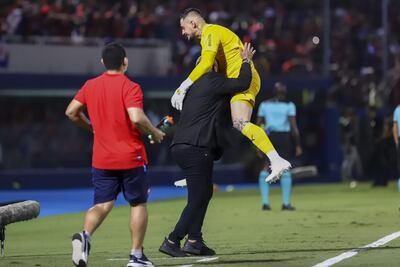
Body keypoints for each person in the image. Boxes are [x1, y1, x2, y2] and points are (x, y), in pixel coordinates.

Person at [65, 43, 164, 267]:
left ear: (102, 63)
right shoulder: (130, 86)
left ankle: (85, 237)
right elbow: (137, 117)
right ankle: (136, 257)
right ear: (125, 62)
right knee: (138, 204)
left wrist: (91, 127)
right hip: (131, 156)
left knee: (102, 204)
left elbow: (71, 112)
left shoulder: (90, 86)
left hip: (102, 158)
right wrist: (155, 132)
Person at [171, 8, 291, 183]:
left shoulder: (210, 32)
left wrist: (183, 87)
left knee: (240, 122)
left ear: (193, 23)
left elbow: (206, 63)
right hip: (232, 83)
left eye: (183, 27)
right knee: (214, 126)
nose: (182, 32)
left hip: (242, 79)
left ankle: (276, 160)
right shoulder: (209, 37)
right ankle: (197, 173)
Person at [159, 43, 255, 257]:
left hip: (183, 146)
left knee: (202, 194)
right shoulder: (211, 80)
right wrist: (246, 61)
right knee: (199, 197)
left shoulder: (191, 88)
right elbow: (242, 83)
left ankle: (194, 240)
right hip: (197, 147)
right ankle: (173, 240)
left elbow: (178, 115)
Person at [256, 83, 302, 211]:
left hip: (269, 137)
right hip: (283, 137)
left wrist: (257, 144)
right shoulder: (289, 105)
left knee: (265, 166)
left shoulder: (264, 105)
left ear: (273, 92)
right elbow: (294, 127)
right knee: (285, 168)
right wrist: (298, 145)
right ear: (285, 92)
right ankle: (285, 203)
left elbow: (258, 125)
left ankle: (265, 203)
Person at [392, 105, 400, 191]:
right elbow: (395, 128)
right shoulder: (397, 109)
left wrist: (397, 142)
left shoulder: (397, 109)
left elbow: (394, 127)